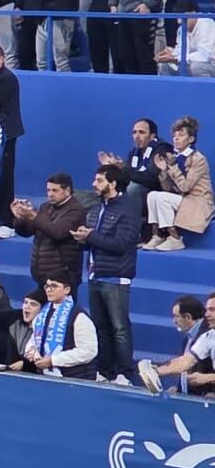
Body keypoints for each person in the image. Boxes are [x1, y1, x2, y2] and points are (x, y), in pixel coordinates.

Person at [75, 163, 141, 384]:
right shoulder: (96, 208)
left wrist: (91, 236)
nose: (94, 184)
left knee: (120, 328)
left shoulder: (128, 208)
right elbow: (94, 242)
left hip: (116, 276)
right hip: (95, 275)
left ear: (113, 183)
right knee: (101, 328)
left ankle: (124, 373)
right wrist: (83, 239)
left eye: (100, 180)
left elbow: (122, 243)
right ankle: (104, 371)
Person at [144, 117, 211, 251]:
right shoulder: (175, 159)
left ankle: (175, 238)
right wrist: (164, 171)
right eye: (174, 135)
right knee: (153, 195)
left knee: (162, 198)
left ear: (191, 139)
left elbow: (185, 187)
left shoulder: (198, 159)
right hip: (184, 200)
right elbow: (168, 189)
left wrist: (173, 167)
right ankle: (158, 235)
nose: (176, 138)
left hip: (198, 202)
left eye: (181, 135)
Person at [24, 274, 99, 380]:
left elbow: (88, 351)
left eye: (53, 286)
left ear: (67, 289)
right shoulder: (42, 314)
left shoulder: (79, 316)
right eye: (47, 286)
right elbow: (34, 340)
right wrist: (32, 351)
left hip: (76, 380)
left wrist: (53, 360)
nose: (49, 290)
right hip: (46, 377)